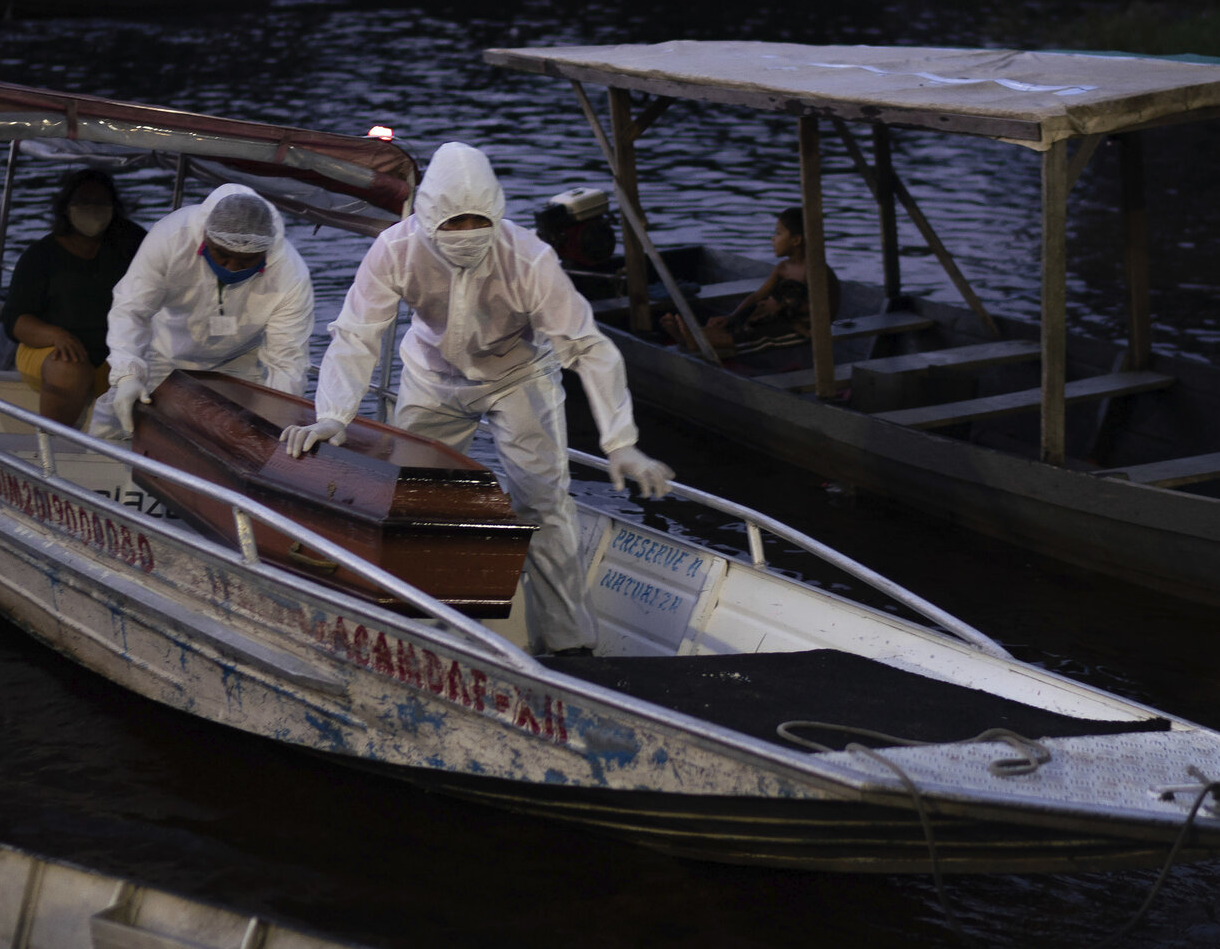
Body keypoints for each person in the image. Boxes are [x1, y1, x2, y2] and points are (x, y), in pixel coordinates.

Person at [279, 142, 674, 654]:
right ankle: (423, 623)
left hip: (519, 374)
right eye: (453, 224)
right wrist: (333, 416)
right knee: (416, 501)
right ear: (427, 217)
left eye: (477, 223)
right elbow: (358, 334)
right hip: (431, 376)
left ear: (496, 212)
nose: (466, 236)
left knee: (543, 501)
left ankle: (570, 643)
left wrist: (620, 441)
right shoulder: (396, 249)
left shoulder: (530, 259)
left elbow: (587, 348)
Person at [93, 183, 313, 441]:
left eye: (244, 262)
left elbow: (287, 360)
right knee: (116, 418)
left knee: (242, 437)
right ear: (204, 238)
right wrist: (128, 373)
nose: (230, 267)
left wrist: (279, 420)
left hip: (237, 360)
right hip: (163, 351)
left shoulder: (290, 274)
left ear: (265, 252)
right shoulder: (172, 237)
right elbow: (131, 309)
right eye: (221, 255)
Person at [0, 170, 146, 424]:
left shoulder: (131, 244)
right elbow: (15, 320)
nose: (92, 209)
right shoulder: (40, 255)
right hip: (51, 351)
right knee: (69, 369)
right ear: (66, 207)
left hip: (119, 355)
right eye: (83, 201)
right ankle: (55, 446)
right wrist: (57, 336)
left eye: (101, 203)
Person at [663, 206, 837, 358]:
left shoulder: (814, 271)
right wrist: (733, 316)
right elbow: (758, 296)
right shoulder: (783, 267)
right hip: (780, 317)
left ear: (796, 240)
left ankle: (693, 339)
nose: (772, 239)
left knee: (755, 336)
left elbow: (823, 309)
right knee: (736, 324)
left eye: (778, 233)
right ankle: (688, 337)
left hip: (802, 326)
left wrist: (782, 309)